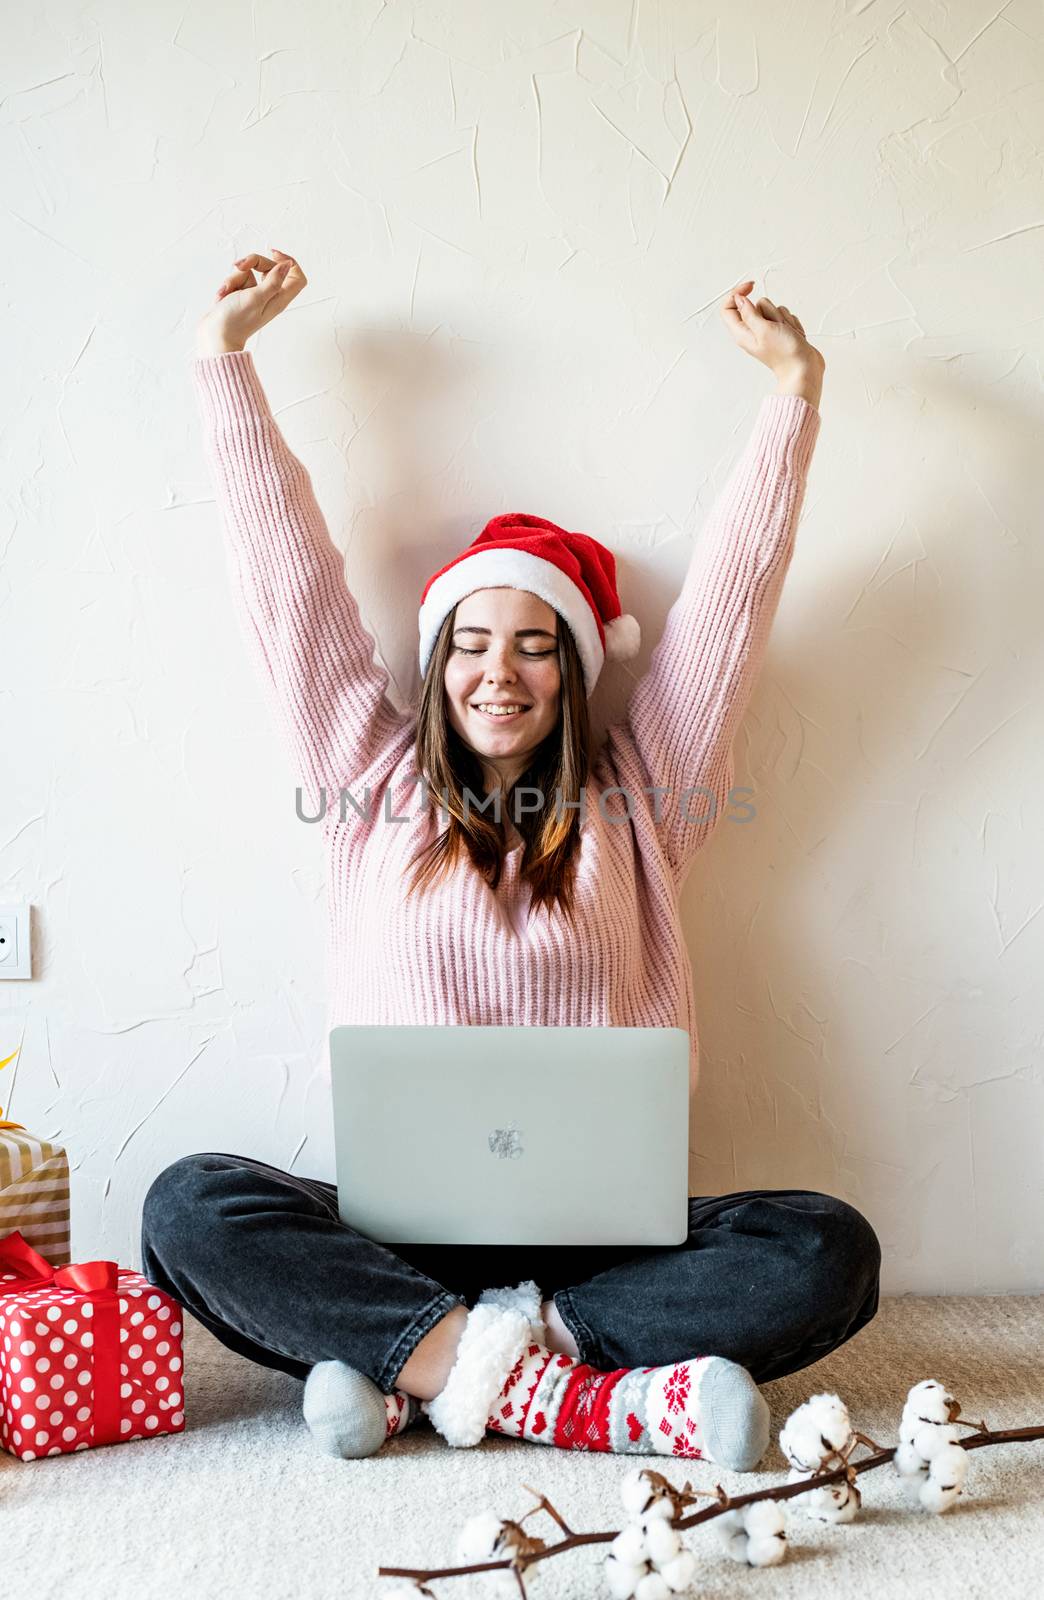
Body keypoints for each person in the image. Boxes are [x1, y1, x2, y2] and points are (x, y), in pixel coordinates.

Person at [140, 250, 880, 1466]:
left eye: (537, 646)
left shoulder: (646, 798)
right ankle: (576, 1396)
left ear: (576, 667)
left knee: (824, 1245)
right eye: (472, 642)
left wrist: (795, 393)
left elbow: (730, 618)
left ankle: (416, 1368)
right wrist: (222, 363)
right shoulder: (367, 782)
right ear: (437, 663)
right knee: (188, 1205)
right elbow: (291, 595)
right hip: (397, 1234)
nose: (500, 671)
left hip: (607, 1253)